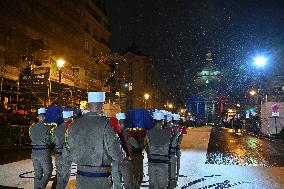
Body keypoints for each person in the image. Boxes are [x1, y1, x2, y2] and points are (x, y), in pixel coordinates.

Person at [64, 92, 124, 189]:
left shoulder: (74, 125)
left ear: (88, 106)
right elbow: (116, 154)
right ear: (101, 106)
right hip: (101, 177)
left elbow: (67, 151)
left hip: (81, 176)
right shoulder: (106, 124)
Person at [146, 111, 172, 189]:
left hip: (151, 163)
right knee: (162, 186)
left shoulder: (148, 132)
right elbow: (168, 145)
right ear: (162, 121)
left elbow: (147, 146)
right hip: (163, 163)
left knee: (152, 186)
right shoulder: (167, 133)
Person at [29, 108, 53, 189]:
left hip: (34, 152)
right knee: (48, 172)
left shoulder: (32, 127)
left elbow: (31, 137)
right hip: (44, 152)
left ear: (38, 117)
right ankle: (41, 187)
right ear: (45, 116)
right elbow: (51, 140)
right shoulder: (48, 127)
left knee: (38, 174)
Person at [53, 110, 73, 189]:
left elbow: (53, 140)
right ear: (69, 118)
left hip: (57, 155)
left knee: (59, 175)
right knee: (64, 178)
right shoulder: (70, 128)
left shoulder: (55, 129)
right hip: (66, 155)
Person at [168, 113, 180, 189]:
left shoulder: (165, 128)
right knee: (174, 170)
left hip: (166, 152)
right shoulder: (176, 129)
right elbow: (177, 141)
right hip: (173, 151)